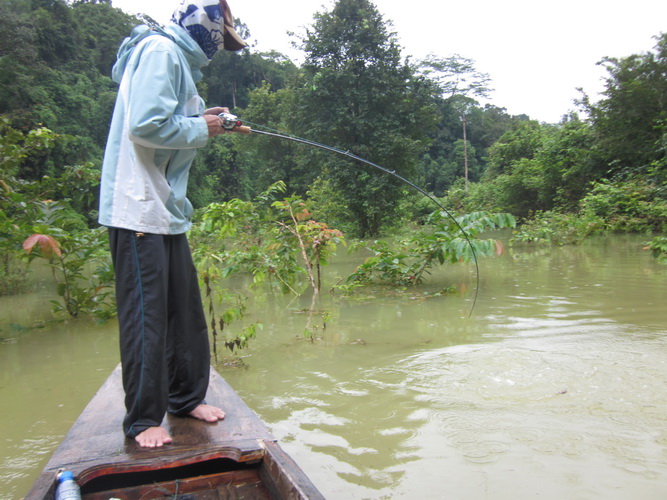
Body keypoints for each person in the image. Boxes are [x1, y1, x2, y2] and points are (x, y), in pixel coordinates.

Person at [98, 0, 247, 448]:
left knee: (185, 312)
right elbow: (146, 126)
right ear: (204, 24)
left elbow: (175, 125)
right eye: (222, 37)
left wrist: (208, 121)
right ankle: (144, 420)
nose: (220, 47)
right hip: (136, 206)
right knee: (148, 318)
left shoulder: (177, 60)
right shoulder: (162, 51)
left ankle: (184, 398)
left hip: (165, 210)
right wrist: (206, 128)